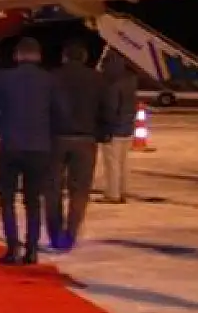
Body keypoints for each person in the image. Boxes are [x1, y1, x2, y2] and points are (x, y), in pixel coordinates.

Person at [0, 37, 63, 265]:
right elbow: (59, 113)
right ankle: (31, 249)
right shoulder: (49, 80)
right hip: (39, 148)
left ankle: (12, 247)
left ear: (17, 55)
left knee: (7, 199)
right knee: (33, 200)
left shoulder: (3, 78)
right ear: (38, 56)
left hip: (10, 146)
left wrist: (1, 130)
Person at [45, 41, 112, 251]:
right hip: (86, 139)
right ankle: (71, 233)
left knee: (52, 188)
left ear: (64, 57)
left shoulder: (51, 77)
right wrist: (102, 132)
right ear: (84, 59)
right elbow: (107, 109)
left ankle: (55, 233)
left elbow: (43, 107)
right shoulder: (98, 79)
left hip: (55, 138)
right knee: (80, 190)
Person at [98, 53, 138, 204]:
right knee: (123, 162)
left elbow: (111, 108)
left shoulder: (112, 84)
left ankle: (113, 194)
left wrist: (105, 127)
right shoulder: (130, 80)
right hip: (128, 126)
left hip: (115, 128)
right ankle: (123, 189)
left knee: (112, 163)